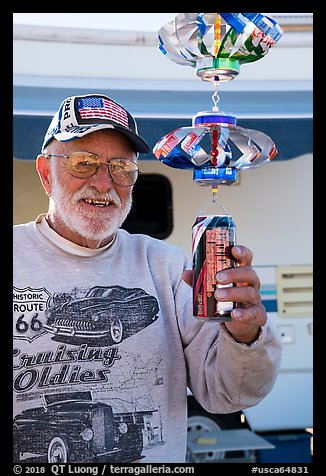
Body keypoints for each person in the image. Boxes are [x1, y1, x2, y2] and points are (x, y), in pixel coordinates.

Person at [13, 93, 282, 464]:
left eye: (121, 167)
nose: (105, 183)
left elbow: (231, 394)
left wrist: (245, 333)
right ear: (46, 174)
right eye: (83, 163)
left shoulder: (168, 267)